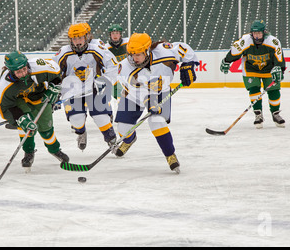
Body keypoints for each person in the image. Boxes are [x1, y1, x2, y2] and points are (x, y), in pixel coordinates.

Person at [114, 33, 199, 174]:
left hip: (160, 91)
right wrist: (149, 101)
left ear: (148, 51)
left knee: (157, 121)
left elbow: (185, 49)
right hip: (133, 95)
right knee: (123, 130)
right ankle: (129, 139)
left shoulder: (164, 51)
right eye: (132, 54)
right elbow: (137, 91)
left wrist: (188, 65)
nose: (134, 58)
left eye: (138, 54)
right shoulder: (125, 68)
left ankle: (170, 154)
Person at [0, 51, 69, 170]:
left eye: (24, 69)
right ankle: (28, 152)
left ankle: (54, 150)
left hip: (39, 96)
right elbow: (3, 108)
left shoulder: (38, 66)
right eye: (19, 72)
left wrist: (54, 87)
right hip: (19, 101)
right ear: (11, 71)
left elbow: (56, 72)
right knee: (27, 126)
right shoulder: (6, 85)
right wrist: (19, 118)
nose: (24, 74)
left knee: (46, 128)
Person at [53, 23, 118, 151]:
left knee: (102, 118)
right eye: (74, 38)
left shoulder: (97, 49)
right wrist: (55, 92)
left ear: (86, 37)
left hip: (93, 89)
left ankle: (112, 140)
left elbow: (113, 66)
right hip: (72, 92)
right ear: (70, 39)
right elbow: (52, 73)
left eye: (80, 38)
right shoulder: (63, 53)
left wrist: (103, 82)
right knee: (76, 120)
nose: (78, 42)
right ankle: (81, 132)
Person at [220, 19, 286, 128]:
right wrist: (227, 60)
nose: (256, 36)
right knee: (254, 90)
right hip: (250, 68)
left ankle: (275, 114)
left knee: (274, 90)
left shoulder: (273, 42)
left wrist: (279, 67)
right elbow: (235, 52)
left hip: (269, 69)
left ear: (264, 32)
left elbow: (279, 58)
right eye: (255, 33)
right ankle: (258, 115)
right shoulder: (245, 41)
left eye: (259, 33)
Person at [105, 24, 130, 99]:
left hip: (128, 73)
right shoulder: (106, 48)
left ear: (120, 34)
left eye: (117, 33)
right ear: (110, 35)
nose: (115, 35)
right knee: (118, 98)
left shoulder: (128, 42)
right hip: (115, 76)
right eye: (113, 33)